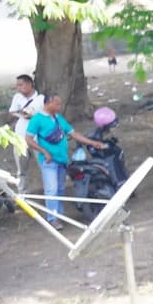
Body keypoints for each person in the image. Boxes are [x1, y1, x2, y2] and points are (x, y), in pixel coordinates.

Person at [24, 93, 105, 222]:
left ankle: (59, 215)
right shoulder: (37, 119)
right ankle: (52, 218)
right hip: (48, 161)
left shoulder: (59, 118)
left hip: (62, 160)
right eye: (57, 104)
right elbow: (28, 139)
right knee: (52, 189)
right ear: (49, 102)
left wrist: (92, 143)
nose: (59, 106)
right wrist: (44, 151)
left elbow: (73, 134)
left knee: (60, 189)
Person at [8, 74, 44, 183]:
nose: (18, 88)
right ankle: (22, 195)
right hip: (20, 138)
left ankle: (49, 194)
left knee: (44, 167)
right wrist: (20, 114)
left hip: (37, 139)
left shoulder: (41, 99)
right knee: (21, 170)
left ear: (30, 84)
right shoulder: (17, 97)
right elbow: (11, 113)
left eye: (21, 85)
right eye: (17, 85)